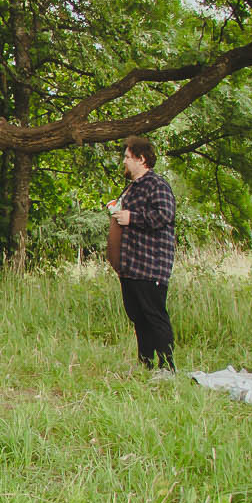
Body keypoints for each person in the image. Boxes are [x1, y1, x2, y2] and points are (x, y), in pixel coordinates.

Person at [107, 135, 177, 370]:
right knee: (139, 318)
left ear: (142, 159)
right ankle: (145, 365)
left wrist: (131, 218)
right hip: (130, 266)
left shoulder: (157, 185)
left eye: (128, 157)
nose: (124, 161)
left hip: (150, 265)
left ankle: (167, 367)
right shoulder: (132, 188)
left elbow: (164, 215)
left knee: (155, 316)